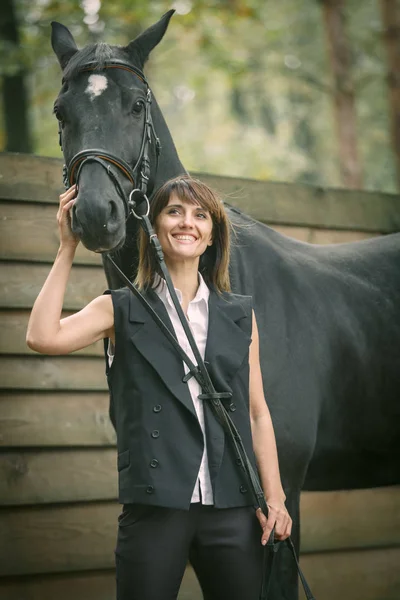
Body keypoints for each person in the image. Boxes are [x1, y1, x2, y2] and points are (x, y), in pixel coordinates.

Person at [27, 176, 292, 600]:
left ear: (211, 236)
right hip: (154, 508)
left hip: (233, 507)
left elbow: (258, 412)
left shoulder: (240, 315)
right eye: (174, 211)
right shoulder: (119, 307)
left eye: (200, 215)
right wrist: (67, 247)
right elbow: (42, 336)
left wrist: (275, 499)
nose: (187, 222)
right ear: (153, 227)